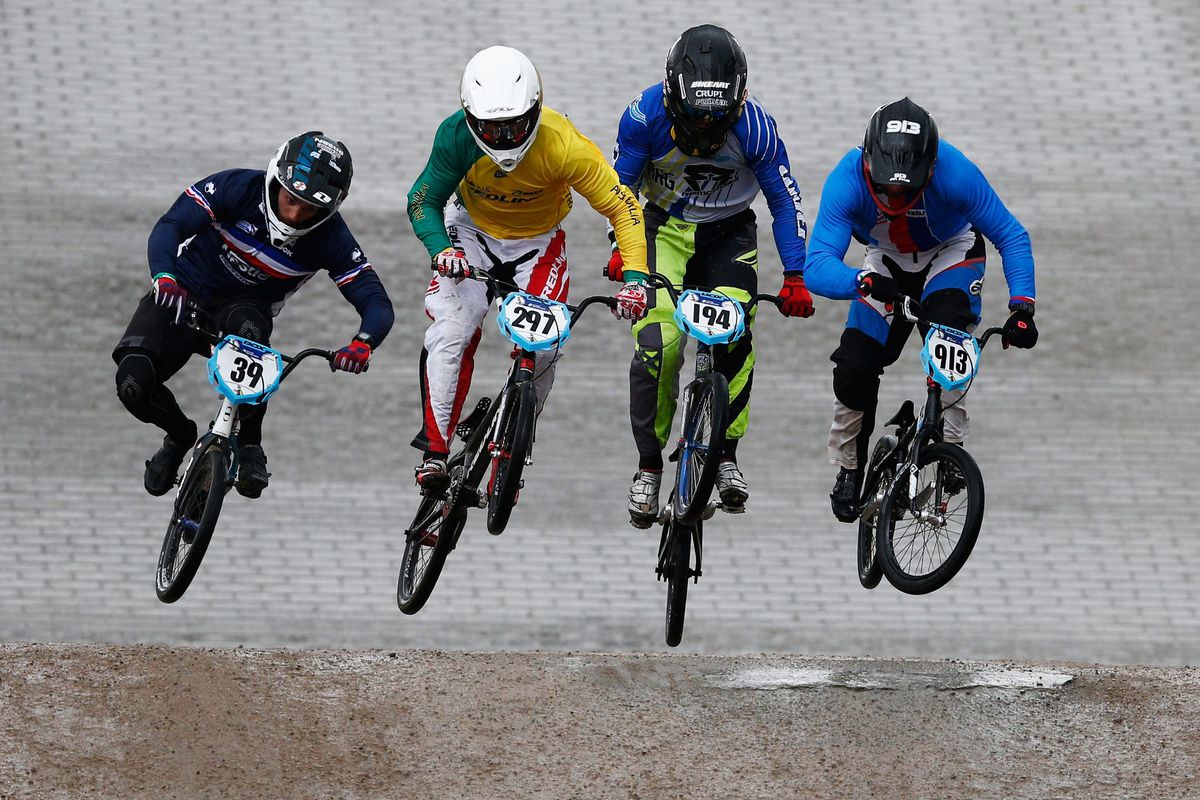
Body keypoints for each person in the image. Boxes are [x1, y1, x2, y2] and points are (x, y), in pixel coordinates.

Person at [407, 45, 649, 494]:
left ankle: (517, 446)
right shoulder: (455, 136)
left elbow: (622, 207)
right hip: (470, 234)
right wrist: (441, 248)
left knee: (546, 347)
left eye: (514, 126)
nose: (502, 139)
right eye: (490, 128)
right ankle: (434, 454)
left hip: (537, 243)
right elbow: (423, 199)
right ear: (469, 116)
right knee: (451, 331)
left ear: (535, 109)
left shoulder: (564, 145)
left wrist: (636, 278)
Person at [606, 24, 814, 528]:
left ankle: (726, 456)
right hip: (659, 228)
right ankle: (649, 466)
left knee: (734, 332)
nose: (704, 135)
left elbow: (785, 203)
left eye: (716, 125)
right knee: (661, 344)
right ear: (673, 102)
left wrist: (795, 275)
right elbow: (619, 192)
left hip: (728, 235)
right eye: (694, 123)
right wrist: (621, 251)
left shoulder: (758, 129)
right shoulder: (642, 116)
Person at [114, 131, 395, 499]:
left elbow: (376, 301)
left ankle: (249, 445)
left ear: (328, 210)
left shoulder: (331, 237)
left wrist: (364, 343)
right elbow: (172, 225)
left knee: (249, 325)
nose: (294, 214)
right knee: (133, 385)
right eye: (290, 198)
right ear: (275, 179)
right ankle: (180, 435)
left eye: (309, 208)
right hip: (181, 294)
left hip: (243, 310)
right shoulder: (236, 187)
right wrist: (164, 276)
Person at [803, 97, 1038, 522]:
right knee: (855, 365)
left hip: (951, 253)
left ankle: (950, 446)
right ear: (869, 163)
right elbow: (817, 266)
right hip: (885, 262)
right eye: (886, 186)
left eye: (907, 188)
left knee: (949, 338)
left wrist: (1022, 307)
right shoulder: (846, 179)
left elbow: (1011, 235)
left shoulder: (956, 171)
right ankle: (848, 467)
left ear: (930, 170)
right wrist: (861, 282)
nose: (895, 195)